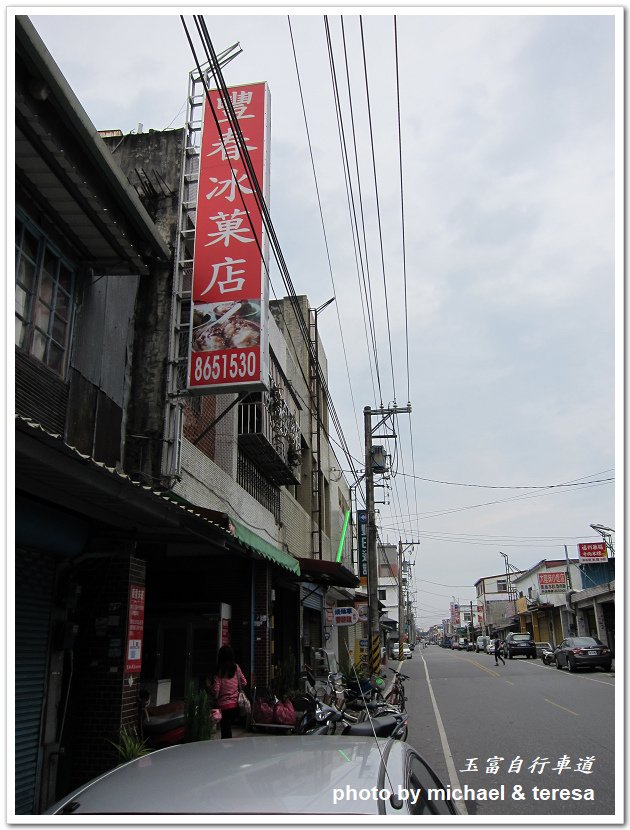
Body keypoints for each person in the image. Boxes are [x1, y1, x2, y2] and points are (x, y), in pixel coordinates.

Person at [211, 645, 247, 739]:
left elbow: (216, 691)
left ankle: (227, 751)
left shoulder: (219, 671)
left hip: (224, 707)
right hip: (236, 706)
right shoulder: (236, 668)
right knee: (229, 730)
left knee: (225, 733)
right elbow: (244, 682)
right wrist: (235, 688)